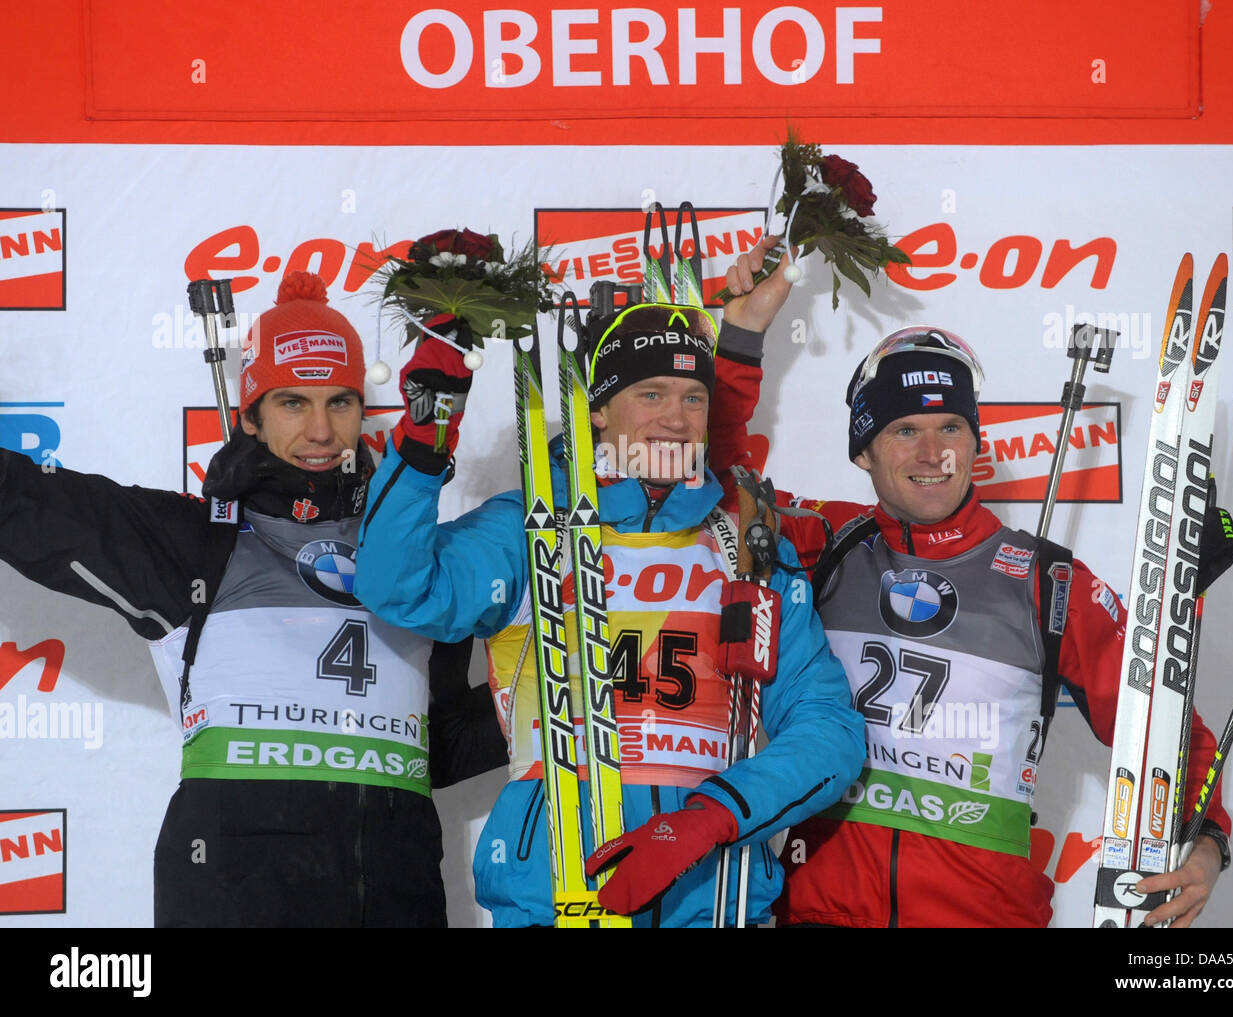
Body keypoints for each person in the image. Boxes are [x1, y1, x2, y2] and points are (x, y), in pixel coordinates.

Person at [708, 240, 1233, 928]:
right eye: (905, 431)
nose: (933, 453)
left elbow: (1161, 716)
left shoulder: (1046, 579)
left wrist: (1209, 842)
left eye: (952, 426)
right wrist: (741, 337)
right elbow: (717, 490)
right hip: (825, 914)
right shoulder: (822, 545)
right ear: (862, 450)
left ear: (977, 441)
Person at [0, 270, 502, 927]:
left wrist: (541, 706)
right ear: (251, 416)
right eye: (294, 402)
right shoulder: (193, 542)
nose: (321, 430)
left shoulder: (410, 562)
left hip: (389, 900)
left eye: (341, 401)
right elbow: (28, 503)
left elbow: (433, 747)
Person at [354, 299, 865, 927]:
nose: (676, 419)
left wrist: (711, 817)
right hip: (556, 894)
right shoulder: (531, 526)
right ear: (597, 410)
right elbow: (398, 586)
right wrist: (429, 437)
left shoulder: (748, 546)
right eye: (650, 395)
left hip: (711, 898)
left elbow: (828, 732)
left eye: (693, 398)